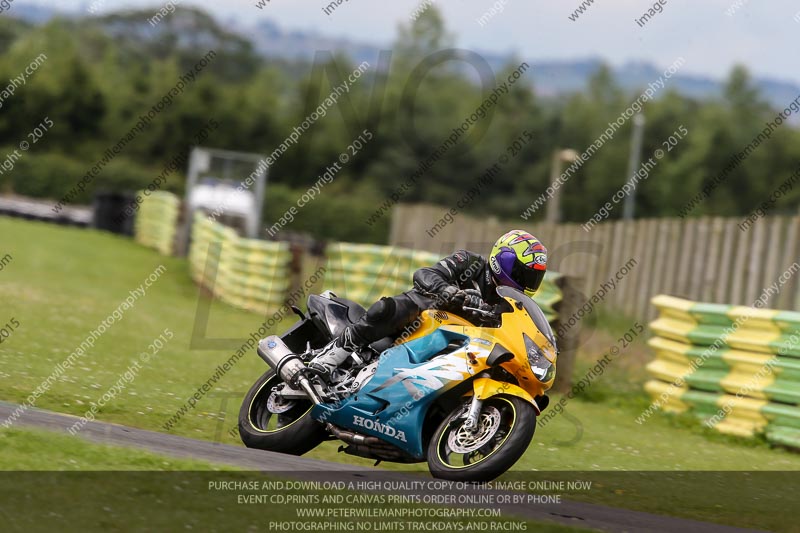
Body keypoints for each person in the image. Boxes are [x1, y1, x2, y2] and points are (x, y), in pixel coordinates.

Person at [308, 229, 548, 380]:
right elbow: (425, 273)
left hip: (456, 346)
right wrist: (447, 290)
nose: (527, 281)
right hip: (424, 321)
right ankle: (333, 354)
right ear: (502, 260)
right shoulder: (470, 263)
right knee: (390, 308)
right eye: (522, 272)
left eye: (534, 277)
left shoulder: (509, 305)